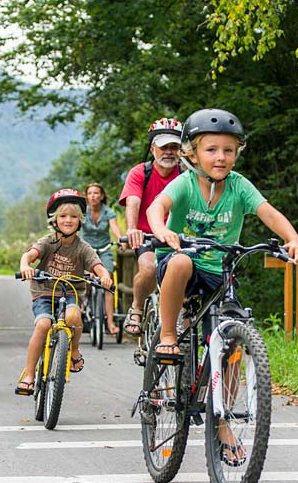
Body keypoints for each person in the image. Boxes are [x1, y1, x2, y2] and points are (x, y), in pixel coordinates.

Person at [147, 109, 298, 462]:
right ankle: (169, 334)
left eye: (229, 150)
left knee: (233, 342)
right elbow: (158, 206)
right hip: (181, 265)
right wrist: (161, 229)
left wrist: (291, 237)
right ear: (192, 153)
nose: (221, 157)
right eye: (212, 149)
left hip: (220, 272)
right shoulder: (185, 184)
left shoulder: (239, 186)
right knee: (182, 261)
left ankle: (222, 422)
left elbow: (268, 212)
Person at [15, 189, 112, 395]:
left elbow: (97, 266)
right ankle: (29, 374)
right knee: (43, 325)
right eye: (63, 216)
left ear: (80, 220)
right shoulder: (47, 242)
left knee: (74, 315)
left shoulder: (83, 247)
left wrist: (104, 276)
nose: (68, 220)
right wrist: (25, 266)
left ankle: (74, 350)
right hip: (45, 292)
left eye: (74, 216)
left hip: (71, 292)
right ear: (54, 220)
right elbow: (29, 255)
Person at [118, 117, 183, 337]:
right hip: (147, 235)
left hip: (179, 237)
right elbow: (133, 201)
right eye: (164, 146)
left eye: (174, 147)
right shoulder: (140, 173)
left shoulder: (187, 176)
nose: (169, 152)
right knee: (148, 268)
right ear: (153, 148)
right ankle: (136, 307)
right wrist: (132, 228)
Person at [81, 182, 123, 335]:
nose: (93, 196)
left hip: (104, 250)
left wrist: (121, 239)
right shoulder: (82, 212)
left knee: (108, 282)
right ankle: (82, 307)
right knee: (86, 278)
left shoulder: (108, 212)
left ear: (102, 196)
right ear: (87, 196)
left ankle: (110, 322)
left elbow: (114, 227)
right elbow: (75, 226)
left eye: (96, 193)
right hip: (86, 251)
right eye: (90, 193)